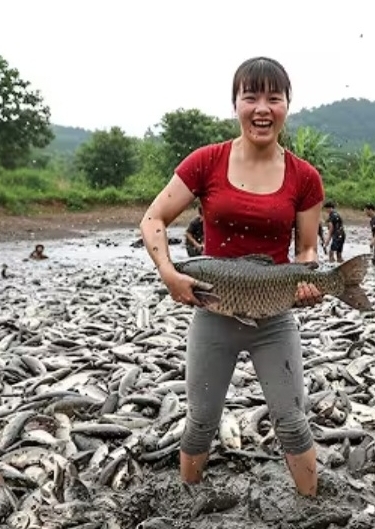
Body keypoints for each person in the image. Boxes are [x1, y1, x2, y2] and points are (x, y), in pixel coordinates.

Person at [139, 56, 325, 497]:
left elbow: (306, 250)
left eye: (273, 98)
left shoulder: (305, 177)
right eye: (250, 97)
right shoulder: (206, 162)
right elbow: (153, 219)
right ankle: (187, 502)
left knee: (292, 421)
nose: (262, 108)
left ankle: (313, 506)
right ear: (235, 104)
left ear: (287, 105)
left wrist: (309, 282)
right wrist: (169, 274)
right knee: (201, 420)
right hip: (213, 314)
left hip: (274, 317)